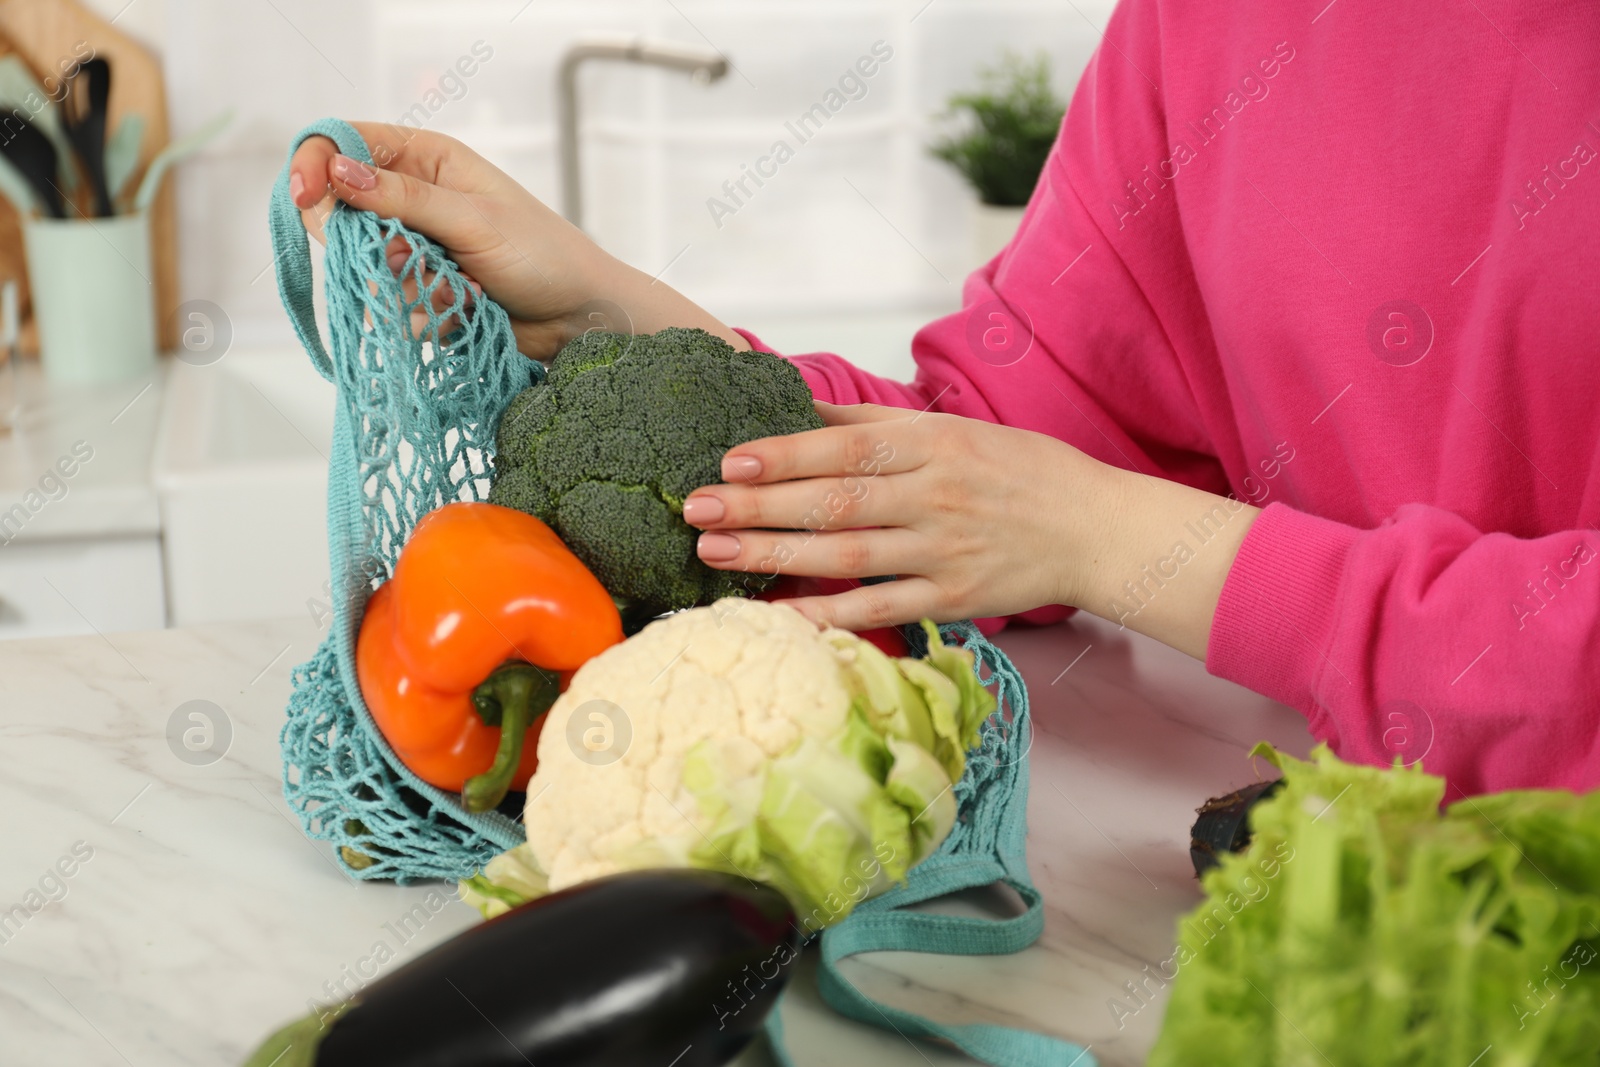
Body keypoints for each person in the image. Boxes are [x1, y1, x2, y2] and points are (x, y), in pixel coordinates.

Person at [289, 0, 1600, 800]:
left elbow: (1065, 511)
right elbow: (1015, 447)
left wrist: (1120, 539)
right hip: (1345, 878)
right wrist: (606, 310)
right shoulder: (1205, 21)